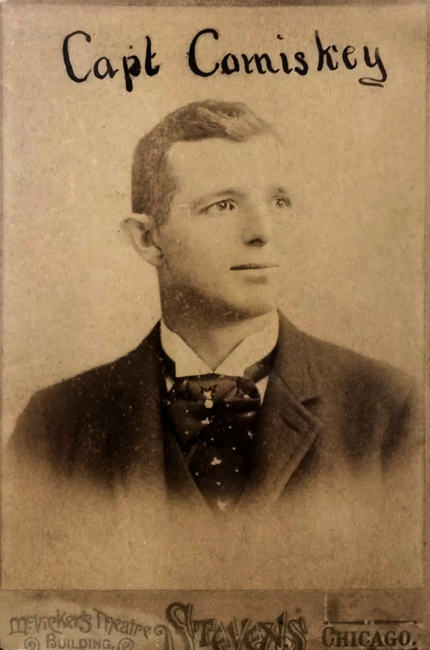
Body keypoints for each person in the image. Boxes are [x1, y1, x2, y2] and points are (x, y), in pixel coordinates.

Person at [4, 100, 422, 588]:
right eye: (223, 206)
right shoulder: (55, 425)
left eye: (279, 201)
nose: (263, 232)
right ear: (147, 240)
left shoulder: (390, 409)